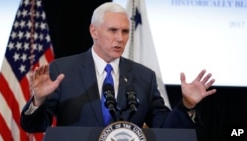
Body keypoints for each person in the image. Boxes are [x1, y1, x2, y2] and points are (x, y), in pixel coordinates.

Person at [20, 2, 216, 133]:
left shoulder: (144, 77)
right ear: (94, 31)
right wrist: (38, 100)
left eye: (125, 31)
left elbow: (164, 128)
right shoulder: (63, 70)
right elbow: (34, 126)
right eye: (113, 30)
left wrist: (187, 104)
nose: (120, 38)